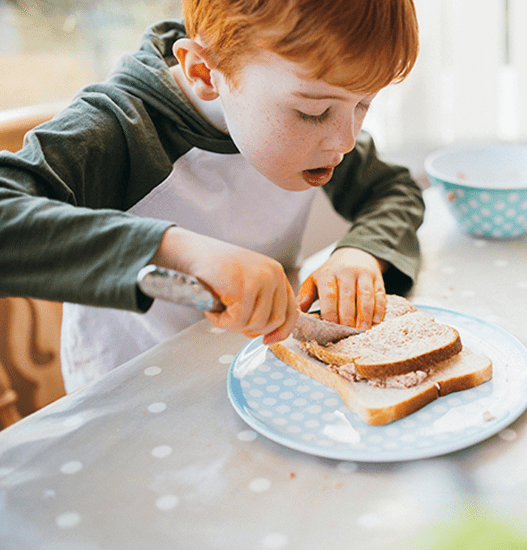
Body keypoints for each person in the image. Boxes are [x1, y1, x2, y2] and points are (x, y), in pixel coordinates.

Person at [0, 0, 425, 392]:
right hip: (131, 398)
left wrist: (362, 253)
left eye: (364, 104)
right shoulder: (118, 131)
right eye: (312, 112)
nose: (345, 140)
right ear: (205, 72)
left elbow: (394, 191)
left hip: (261, 375)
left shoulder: (315, 118)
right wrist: (175, 251)